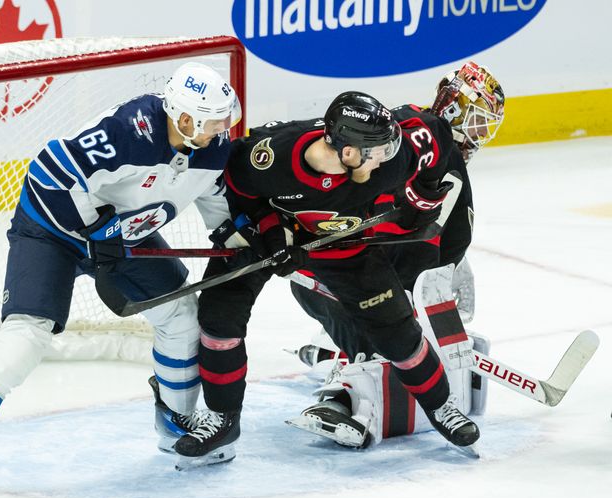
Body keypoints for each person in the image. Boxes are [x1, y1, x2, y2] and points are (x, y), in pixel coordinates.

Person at [0, 61, 245, 498]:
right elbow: (46, 174)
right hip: (52, 233)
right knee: (26, 335)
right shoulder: (129, 131)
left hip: (123, 238)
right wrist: (97, 229)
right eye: (214, 119)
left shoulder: (212, 150)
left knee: (181, 317)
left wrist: (245, 240)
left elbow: (219, 209)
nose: (223, 127)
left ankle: (176, 422)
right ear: (184, 118)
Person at [174, 83, 487, 468]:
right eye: (375, 155)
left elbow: (437, 137)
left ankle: (443, 409)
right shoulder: (272, 157)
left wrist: (422, 200)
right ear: (348, 151)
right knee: (219, 314)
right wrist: (271, 233)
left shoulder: (391, 152)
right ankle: (222, 420)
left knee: (397, 331)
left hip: (345, 249)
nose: (384, 162)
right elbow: (237, 190)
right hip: (271, 238)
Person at [292, 61, 504, 361]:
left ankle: (342, 346)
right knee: (388, 351)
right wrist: (421, 300)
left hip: (315, 274)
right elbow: (432, 240)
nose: (480, 134)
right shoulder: (444, 156)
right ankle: (348, 379)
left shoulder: (393, 128)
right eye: (478, 121)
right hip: (355, 281)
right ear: (455, 109)